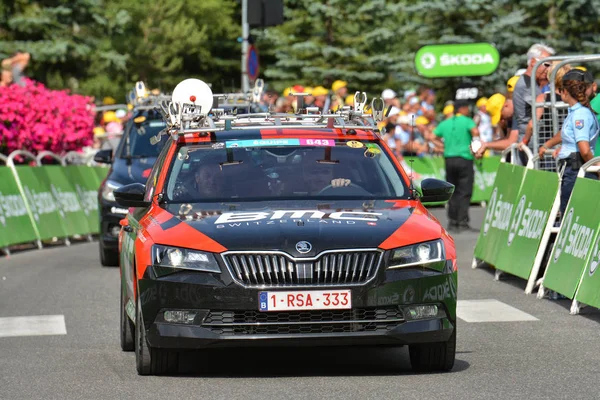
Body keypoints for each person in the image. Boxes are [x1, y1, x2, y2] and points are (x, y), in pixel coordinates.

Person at [538, 69, 599, 216]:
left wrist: (596, 169)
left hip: (577, 170)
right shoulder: (576, 112)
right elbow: (567, 133)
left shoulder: (580, 115)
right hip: (573, 169)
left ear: (565, 91)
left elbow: (584, 150)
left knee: (573, 217)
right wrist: (548, 144)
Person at [432, 100, 480, 233]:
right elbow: (475, 132)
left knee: (452, 190)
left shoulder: (445, 123)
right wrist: (475, 148)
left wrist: (442, 147)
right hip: (464, 158)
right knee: (464, 191)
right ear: (463, 109)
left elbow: (432, 136)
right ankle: (462, 222)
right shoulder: (467, 121)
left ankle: (452, 222)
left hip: (449, 158)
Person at [511, 43, 556, 164]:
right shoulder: (525, 84)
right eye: (547, 64)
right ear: (532, 62)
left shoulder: (532, 83)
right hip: (531, 143)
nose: (549, 68)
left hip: (535, 141)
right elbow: (542, 106)